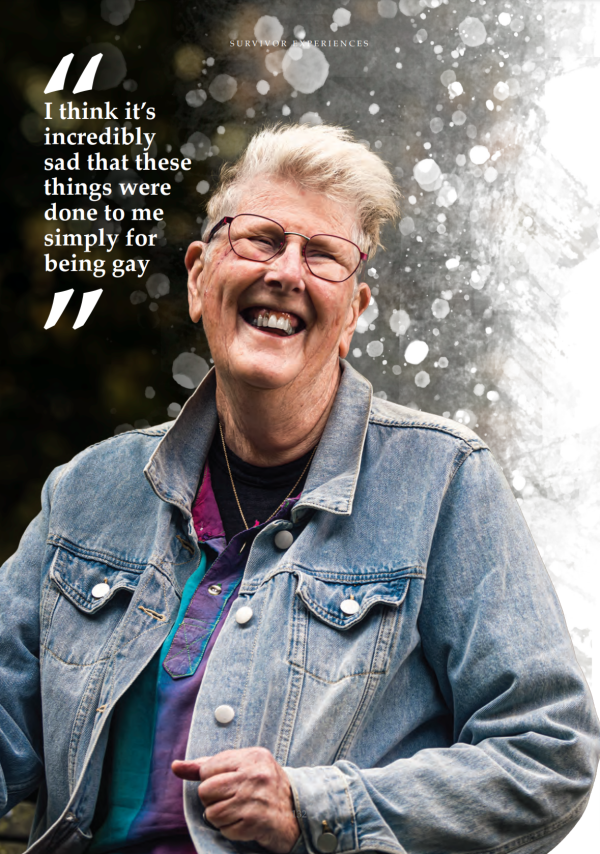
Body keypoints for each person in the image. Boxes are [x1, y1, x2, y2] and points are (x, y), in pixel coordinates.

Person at [1, 124, 598, 854]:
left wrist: (314, 806)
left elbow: (547, 755)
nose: (287, 271)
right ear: (197, 277)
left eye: (322, 255)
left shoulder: (445, 485)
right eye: (259, 239)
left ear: (353, 314)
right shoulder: (90, 490)